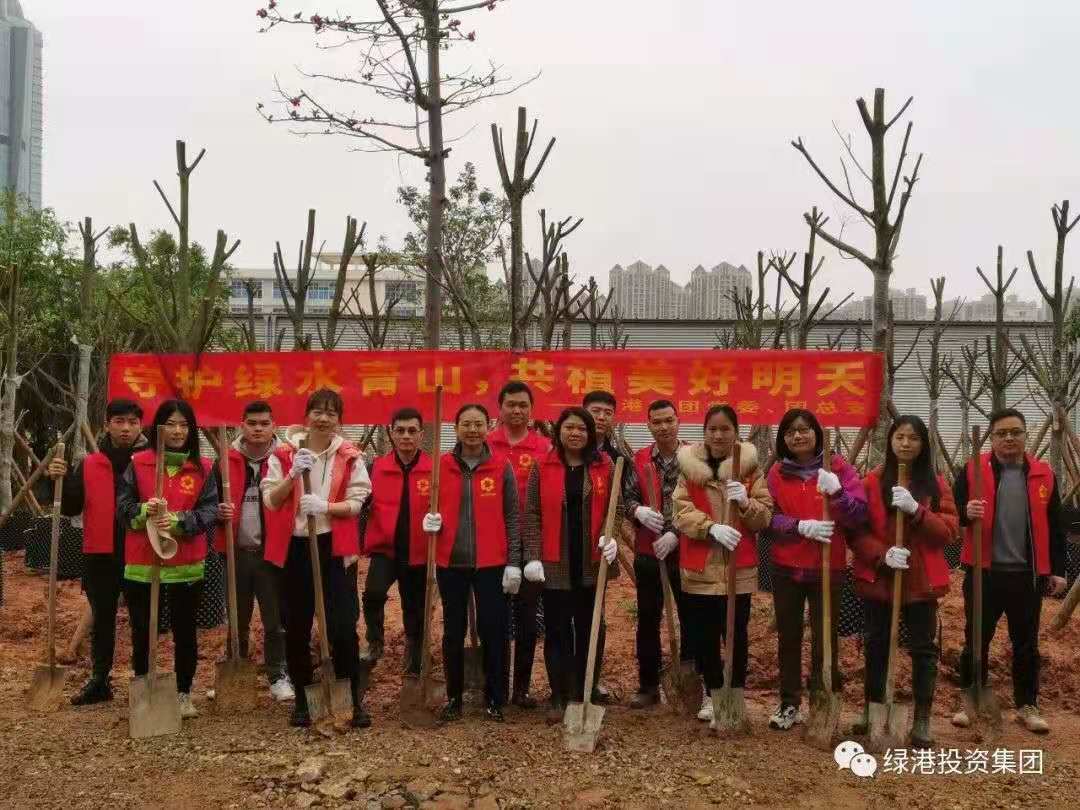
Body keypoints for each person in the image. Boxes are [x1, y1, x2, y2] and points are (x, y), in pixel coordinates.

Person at [950, 408, 1068, 734]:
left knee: (1026, 643)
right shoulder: (973, 470)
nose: (1009, 438)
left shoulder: (1043, 474)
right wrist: (965, 511)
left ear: (1025, 435)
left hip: (1027, 575)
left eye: (1016, 432)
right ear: (992, 438)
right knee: (976, 639)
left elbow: (1056, 527)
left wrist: (1058, 570)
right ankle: (971, 699)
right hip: (983, 573)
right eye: (1002, 433)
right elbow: (950, 512)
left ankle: (1027, 705)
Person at [262, 388, 373, 728]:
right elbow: (271, 500)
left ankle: (350, 698)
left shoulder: (350, 456)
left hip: (333, 548)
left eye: (331, 413)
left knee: (343, 626)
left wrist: (326, 507)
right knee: (296, 626)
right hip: (295, 548)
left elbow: (358, 501)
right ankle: (303, 698)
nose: (324, 418)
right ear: (307, 415)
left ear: (339, 420)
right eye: (318, 411)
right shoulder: (283, 454)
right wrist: (293, 475)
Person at [850, 415, 958, 748]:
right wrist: (882, 555)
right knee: (876, 644)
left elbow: (949, 532)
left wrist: (917, 511)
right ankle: (873, 707)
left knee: (923, 649)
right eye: (900, 437)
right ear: (890, 441)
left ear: (923, 444)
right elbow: (856, 532)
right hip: (881, 577)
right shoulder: (871, 482)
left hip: (920, 580)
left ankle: (922, 718)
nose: (906, 443)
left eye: (913, 438)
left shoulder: (936, 484)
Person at [116, 399, 220, 720]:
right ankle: (144, 690)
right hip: (143, 563)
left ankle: (183, 693)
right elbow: (122, 508)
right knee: (143, 631)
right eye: (170, 424)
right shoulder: (138, 464)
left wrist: (177, 521)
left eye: (184, 425)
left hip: (185, 563)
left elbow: (209, 511)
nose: (177, 431)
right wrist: (143, 510)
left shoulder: (203, 468)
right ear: (157, 428)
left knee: (185, 632)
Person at [765, 407, 867, 731]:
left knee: (825, 638)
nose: (798, 436)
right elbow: (768, 518)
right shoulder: (776, 473)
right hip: (786, 567)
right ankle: (789, 703)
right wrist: (799, 526)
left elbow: (858, 515)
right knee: (789, 636)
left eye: (804, 429)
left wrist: (837, 492)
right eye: (790, 431)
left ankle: (824, 700)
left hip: (827, 567)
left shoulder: (839, 468)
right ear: (783, 438)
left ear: (816, 433)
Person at [672, 404, 773, 725]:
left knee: (736, 635)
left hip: (736, 569)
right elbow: (680, 512)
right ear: (704, 432)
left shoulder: (750, 470)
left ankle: (734, 696)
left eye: (725, 429)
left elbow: (764, 517)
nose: (718, 435)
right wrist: (711, 527)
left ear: (736, 432)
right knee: (704, 635)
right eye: (712, 429)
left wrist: (745, 501)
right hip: (701, 566)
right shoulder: (689, 469)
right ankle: (713, 694)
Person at [423, 403, 520, 722]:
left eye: (479, 424)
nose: (473, 430)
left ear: (488, 427)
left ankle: (495, 697)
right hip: (451, 561)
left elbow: (512, 516)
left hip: (492, 562)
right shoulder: (441, 466)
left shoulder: (501, 466)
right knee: (453, 631)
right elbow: (428, 504)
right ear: (456, 428)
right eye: (466, 424)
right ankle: (454, 697)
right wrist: (429, 520)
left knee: (494, 629)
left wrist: (513, 562)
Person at [47, 398, 146, 706]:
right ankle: (100, 680)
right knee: (102, 619)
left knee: (143, 619)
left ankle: (144, 678)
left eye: (132, 422)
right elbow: (71, 506)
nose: (126, 428)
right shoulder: (90, 464)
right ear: (107, 425)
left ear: (140, 426)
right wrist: (59, 479)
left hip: (140, 550)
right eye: (119, 422)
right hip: (100, 552)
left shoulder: (149, 463)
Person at [523, 407, 620, 716]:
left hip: (592, 560)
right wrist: (533, 555)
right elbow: (532, 512)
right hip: (556, 560)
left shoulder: (604, 465)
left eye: (581, 428)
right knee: (557, 629)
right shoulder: (543, 465)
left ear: (590, 434)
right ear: (559, 431)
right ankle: (559, 694)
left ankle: (585, 689)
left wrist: (610, 537)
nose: (575, 433)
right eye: (569, 427)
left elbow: (614, 509)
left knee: (591, 627)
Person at [220, 400, 293, 702]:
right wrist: (218, 512)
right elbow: (209, 502)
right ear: (242, 425)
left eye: (264, 424)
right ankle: (235, 672)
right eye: (252, 423)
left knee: (274, 619)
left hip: (270, 553)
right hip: (236, 552)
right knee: (237, 618)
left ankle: (278, 675)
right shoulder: (226, 460)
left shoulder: (285, 459)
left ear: (274, 426)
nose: (258, 429)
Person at [488, 381, 552, 709]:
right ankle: (495, 686)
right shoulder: (486, 444)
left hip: (531, 544)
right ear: (499, 408)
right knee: (496, 616)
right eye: (510, 404)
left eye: (523, 405)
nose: (516, 410)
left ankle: (522, 689)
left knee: (528, 617)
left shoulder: (544, 448)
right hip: (492, 542)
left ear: (531, 410)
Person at [628, 399, 693, 709]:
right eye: (657, 422)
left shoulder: (695, 457)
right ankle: (648, 685)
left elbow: (705, 502)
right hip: (648, 550)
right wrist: (638, 511)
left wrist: (676, 533)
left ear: (678, 421)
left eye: (669, 420)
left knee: (691, 616)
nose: (664, 427)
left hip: (688, 550)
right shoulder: (640, 459)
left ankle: (693, 681)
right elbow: (627, 497)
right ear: (649, 425)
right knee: (648, 618)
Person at [360, 407, 432, 676]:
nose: (406, 436)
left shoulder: (433, 469)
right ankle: (375, 641)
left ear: (421, 435)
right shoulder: (376, 467)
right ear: (391, 433)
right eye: (400, 430)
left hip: (418, 549)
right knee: (373, 594)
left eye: (412, 431)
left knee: (414, 605)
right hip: (385, 548)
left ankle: (414, 651)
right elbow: (360, 501)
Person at [582, 390, 639, 703]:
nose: (601, 417)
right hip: (564, 547)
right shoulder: (565, 449)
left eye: (607, 412)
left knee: (595, 615)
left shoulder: (618, 459)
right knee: (564, 616)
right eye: (595, 411)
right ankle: (567, 681)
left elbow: (620, 504)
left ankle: (592, 679)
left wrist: (612, 536)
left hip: (600, 547)